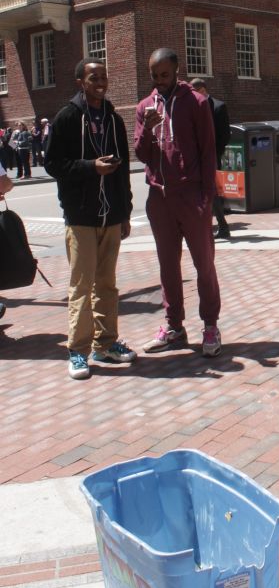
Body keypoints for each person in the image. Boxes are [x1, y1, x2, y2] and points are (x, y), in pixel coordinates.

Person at [44, 59, 135, 380]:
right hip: (81, 218)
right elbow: (52, 163)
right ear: (80, 81)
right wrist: (89, 167)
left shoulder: (113, 118)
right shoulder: (67, 117)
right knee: (81, 288)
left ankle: (106, 344)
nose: (101, 81)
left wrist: (125, 212)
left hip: (111, 215)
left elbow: (123, 169)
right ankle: (77, 351)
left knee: (107, 286)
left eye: (104, 76)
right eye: (93, 77)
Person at [135, 48, 222, 356]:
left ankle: (210, 325)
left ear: (175, 71)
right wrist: (147, 128)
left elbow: (209, 151)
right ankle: (174, 327)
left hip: (192, 196)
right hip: (160, 199)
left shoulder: (196, 103)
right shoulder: (145, 106)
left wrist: (207, 196)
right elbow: (142, 154)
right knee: (168, 267)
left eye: (165, 75)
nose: (159, 82)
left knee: (204, 264)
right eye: (154, 76)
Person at [190, 78, 231, 240]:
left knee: (211, 191)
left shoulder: (218, 107)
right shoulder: (192, 107)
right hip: (195, 157)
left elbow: (224, 135)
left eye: (194, 92)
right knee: (201, 191)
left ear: (202, 90)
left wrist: (214, 153)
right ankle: (216, 226)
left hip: (211, 156)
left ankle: (221, 226)